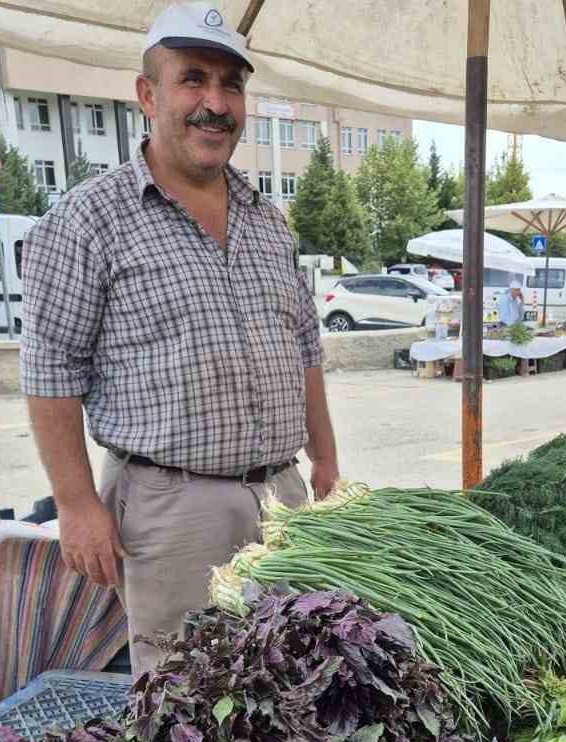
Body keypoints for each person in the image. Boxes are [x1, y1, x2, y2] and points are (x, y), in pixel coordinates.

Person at [19, 2, 339, 675]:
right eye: (193, 80)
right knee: (186, 700)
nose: (216, 103)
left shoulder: (268, 223)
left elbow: (306, 351)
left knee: (294, 679)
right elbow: (51, 371)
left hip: (282, 499)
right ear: (147, 94)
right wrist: (78, 506)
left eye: (232, 85)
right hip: (174, 508)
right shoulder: (86, 220)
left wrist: (328, 465)